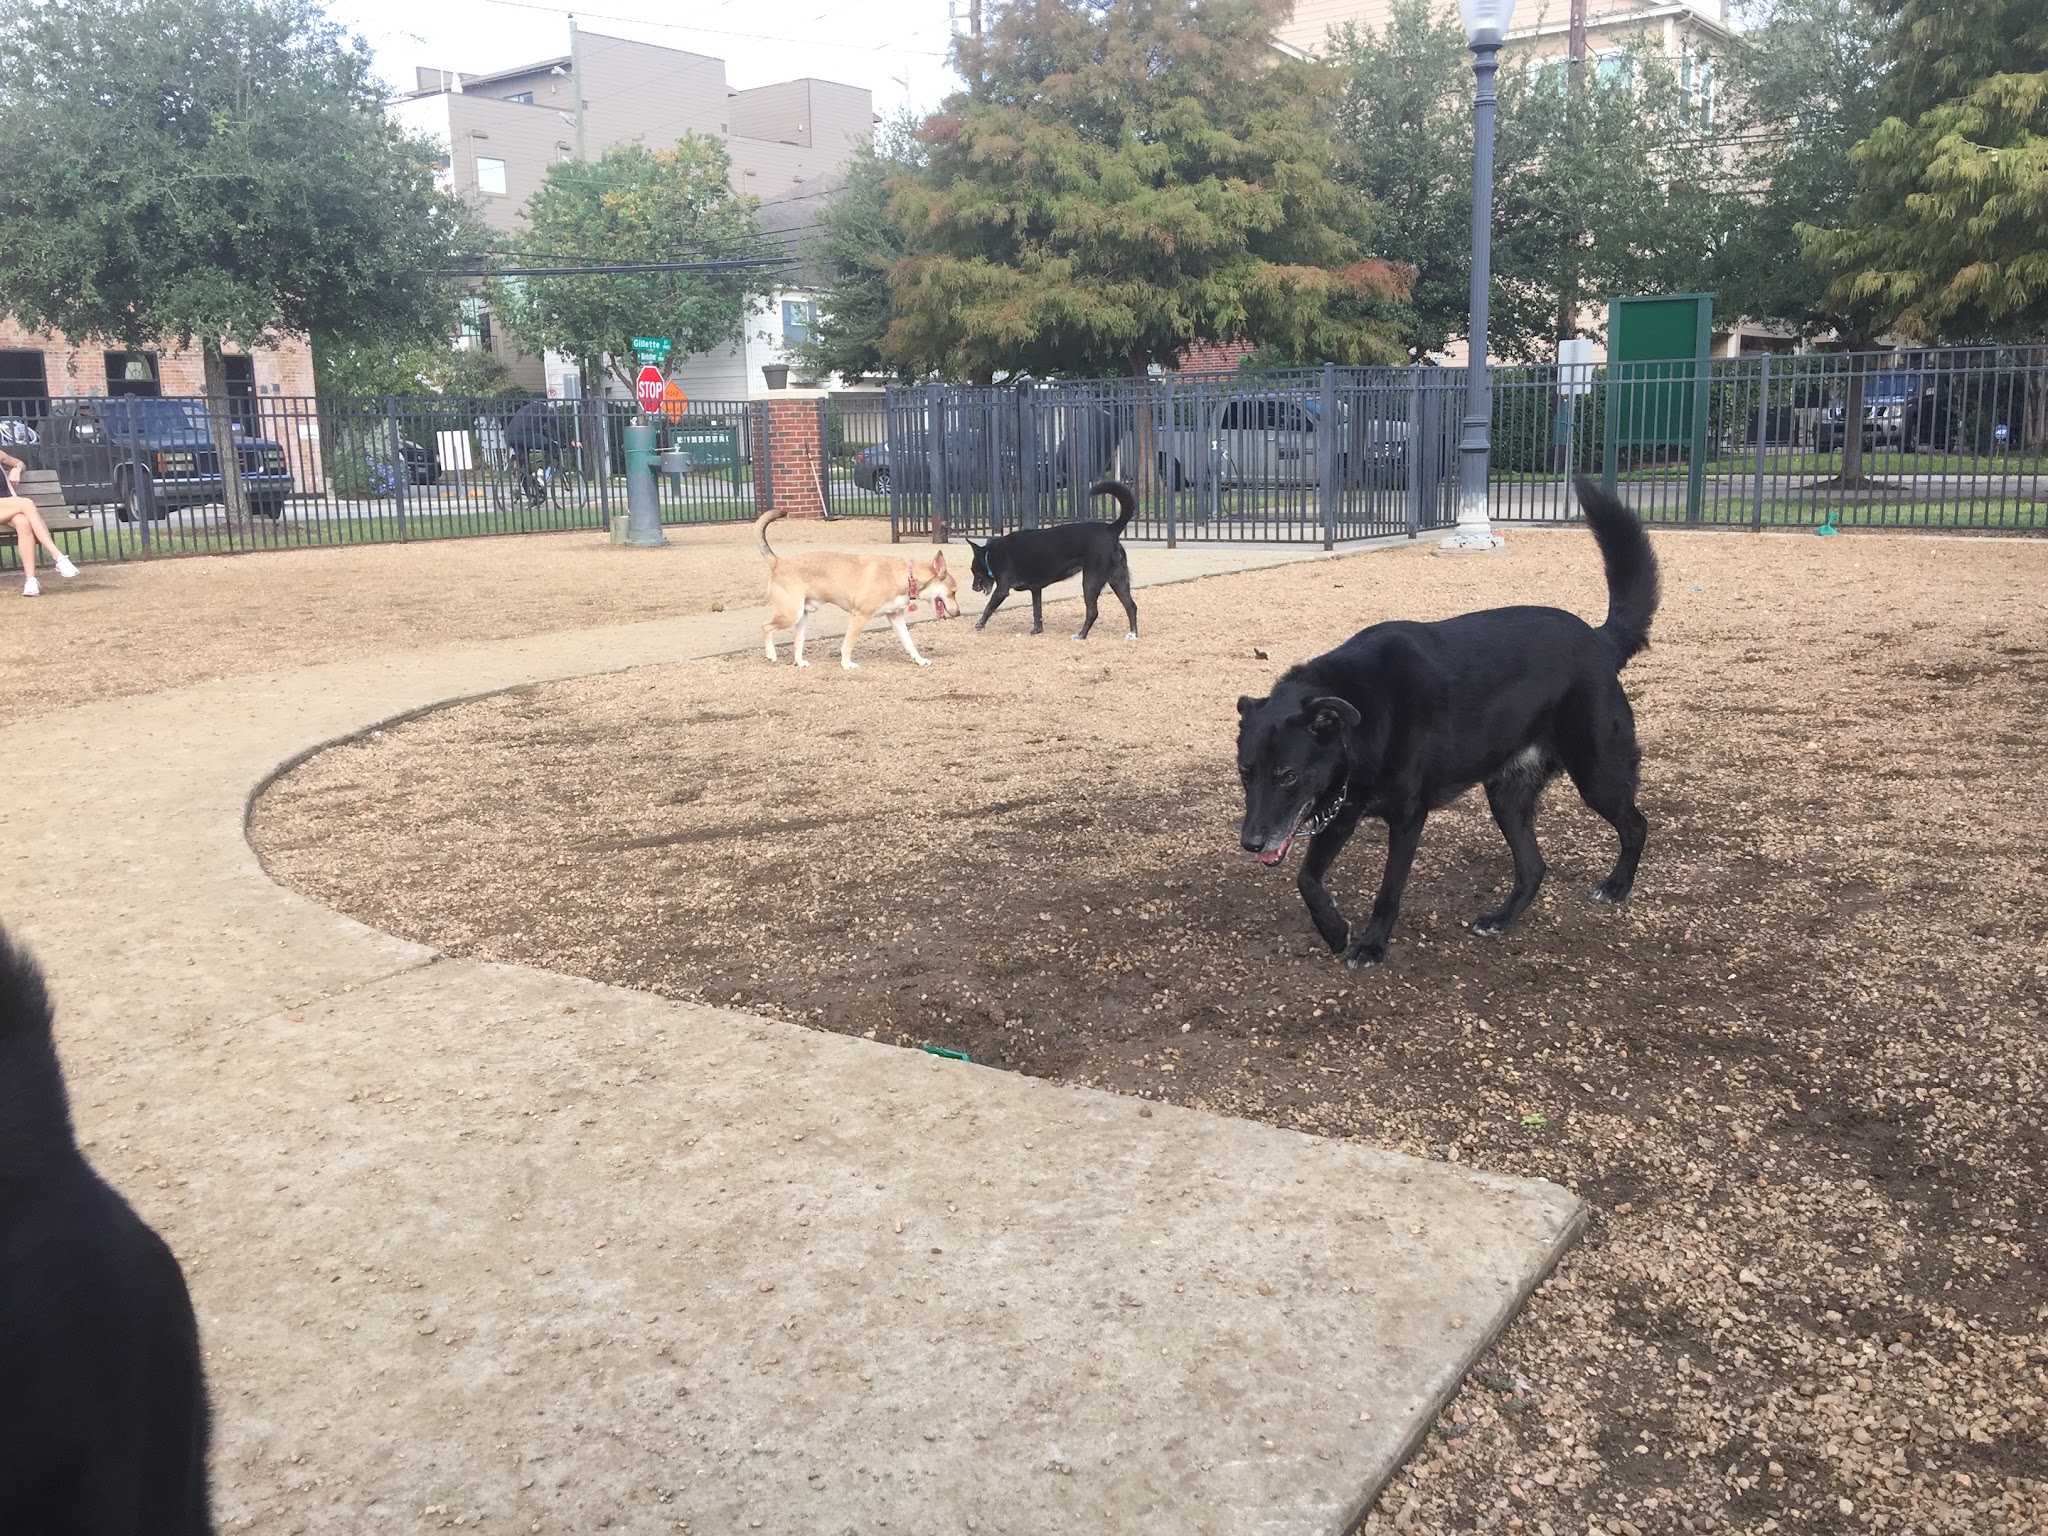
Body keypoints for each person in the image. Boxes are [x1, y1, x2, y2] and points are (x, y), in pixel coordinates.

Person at [0, 444, 78, 597]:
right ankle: (58, 557)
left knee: (23, 523)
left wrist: (17, 469)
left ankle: (31, 581)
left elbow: (19, 463)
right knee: (27, 503)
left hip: (6, 506)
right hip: (7, 505)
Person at [501, 396, 577, 506]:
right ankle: (541, 472)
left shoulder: (524, 409)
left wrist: (547, 439)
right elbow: (557, 425)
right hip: (526, 435)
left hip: (511, 437)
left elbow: (541, 431)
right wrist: (570, 440)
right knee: (554, 448)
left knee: (524, 468)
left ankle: (534, 497)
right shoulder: (543, 408)